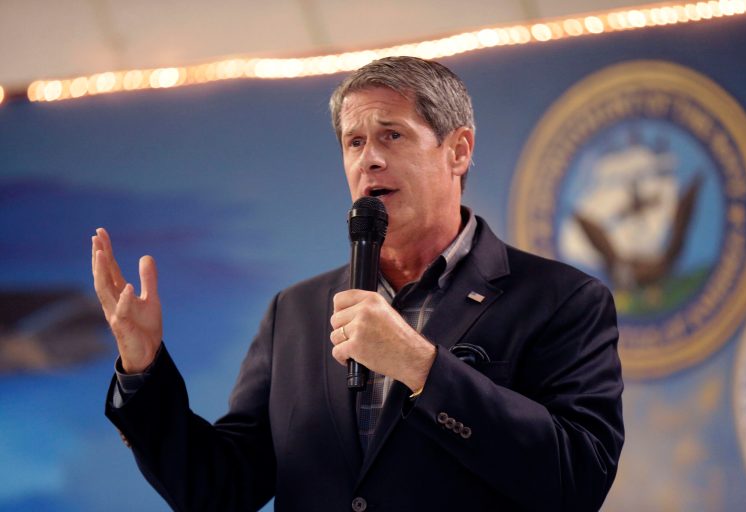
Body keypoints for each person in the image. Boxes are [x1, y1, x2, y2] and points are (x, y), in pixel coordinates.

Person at [92, 56, 623, 512]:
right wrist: (144, 369)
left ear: (458, 151)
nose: (368, 158)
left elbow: (577, 479)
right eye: (354, 141)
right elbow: (219, 489)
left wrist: (421, 366)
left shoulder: (562, 300)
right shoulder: (294, 313)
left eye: (392, 134)